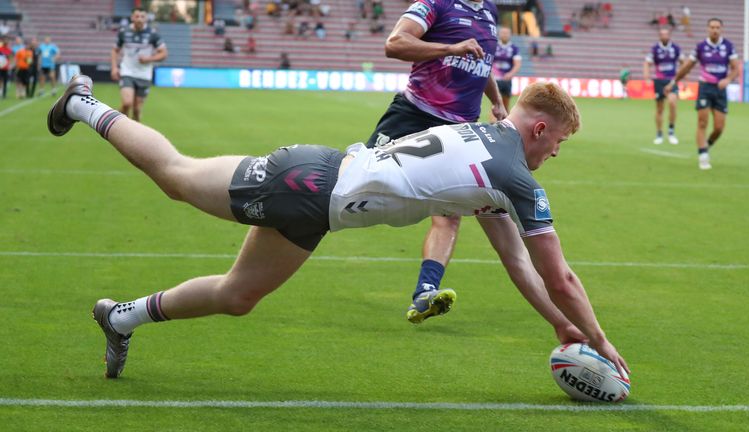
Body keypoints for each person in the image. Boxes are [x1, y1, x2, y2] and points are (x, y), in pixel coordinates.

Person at [47, 75, 630, 381]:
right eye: (559, 141)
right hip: (309, 185)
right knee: (177, 176)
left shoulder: (491, 154)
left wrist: (561, 326)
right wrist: (599, 340)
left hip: (318, 199)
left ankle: (121, 317)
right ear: (538, 129)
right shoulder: (514, 175)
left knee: (238, 295)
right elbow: (562, 277)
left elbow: (520, 266)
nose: (557, 153)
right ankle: (83, 106)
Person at [365, 0, 506, 324]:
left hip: (459, 131)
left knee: (449, 214)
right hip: (414, 115)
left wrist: (497, 102)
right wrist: (451, 47)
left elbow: (481, 64)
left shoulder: (489, 12)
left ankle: (425, 292)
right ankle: (296, 217)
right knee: (353, 184)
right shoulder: (434, 4)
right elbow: (395, 44)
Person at [665, 18, 740, 170]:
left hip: (720, 89)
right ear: (707, 29)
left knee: (719, 127)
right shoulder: (700, 47)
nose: (715, 30)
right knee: (702, 122)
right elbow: (687, 67)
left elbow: (736, 69)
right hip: (705, 87)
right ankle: (703, 155)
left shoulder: (728, 46)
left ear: (721, 29)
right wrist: (674, 82)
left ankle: (707, 145)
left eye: (717, 27)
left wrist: (728, 79)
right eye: (712, 27)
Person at [111, 7, 168, 122]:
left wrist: (149, 58)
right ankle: (116, 125)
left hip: (144, 75)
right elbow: (115, 50)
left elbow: (164, 54)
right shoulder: (124, 32)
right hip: (127, 72)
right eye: (137, 16)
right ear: (132, 18)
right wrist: (114, 67)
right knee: (127, 103)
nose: (139, 19)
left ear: (146, 18)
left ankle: (134, 136)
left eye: (142, 17)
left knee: (137, 110)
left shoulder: (153, 34)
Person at [643, 28, 682, 145]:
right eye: (662, 34)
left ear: (669, 35)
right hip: (659, 81)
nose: (664, 36)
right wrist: (647, 77)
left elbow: (683, 63)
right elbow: (647, 63)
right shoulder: (655, 49)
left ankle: (671, 131)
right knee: (660, 109)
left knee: (672, 103)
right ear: (659, 36)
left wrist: (684, 78)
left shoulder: (675, 48)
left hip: (672, 80)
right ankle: (659, 133)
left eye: (666, 34)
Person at [491, 26, 522, 120]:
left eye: (506, 33)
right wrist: (492, 72)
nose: (504, 35)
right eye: (503, 33)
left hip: (507, 80)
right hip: (494, 80)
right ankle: (492, 125)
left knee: (505, 103)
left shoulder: (514, 48)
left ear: (510, 35)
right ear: (499, 34)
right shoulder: (494, 46)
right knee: (494, 104)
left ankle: (504, 124)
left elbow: (517, 64)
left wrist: (510, 74)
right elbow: (489, 61)